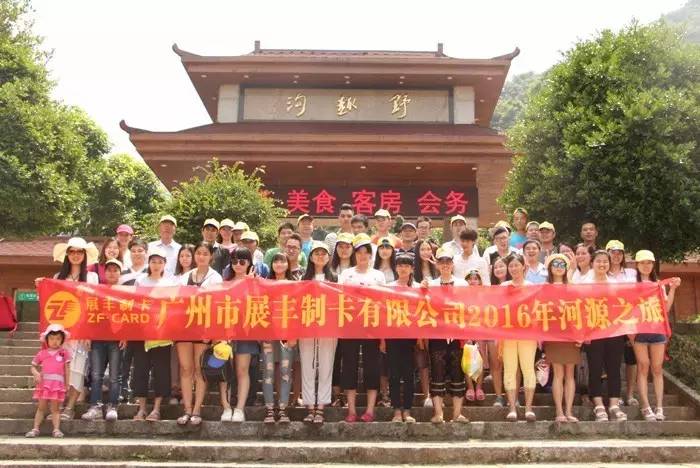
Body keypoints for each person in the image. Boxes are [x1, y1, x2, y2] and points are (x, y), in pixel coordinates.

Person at [41, 237, 99, 420]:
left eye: (79, 252)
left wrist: (88, 333)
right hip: (61, 332)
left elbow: (94, 305)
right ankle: (57, 407)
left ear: (84, 255)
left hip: (82, 331)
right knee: (59, 369)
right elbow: (50, 301)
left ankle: (70, 407)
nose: (76, 255)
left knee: (78, 369)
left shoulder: (92, 277)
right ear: (67, 254)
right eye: (72, 251)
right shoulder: (58, 277)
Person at [176, 242, 226, 426]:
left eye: (205, 253)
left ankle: (197, 409)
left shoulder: (216, 277)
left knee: (199, 369)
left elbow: (217, 305)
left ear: (211, 256)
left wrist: (212, 331)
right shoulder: (185, 277)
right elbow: (177, 302)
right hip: (184, 327)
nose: (201, 256)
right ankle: (187, 409)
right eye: (198, 253)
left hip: (203, 328)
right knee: (185, 368)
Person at [338, 233, 386, 422]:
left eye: (366, 252)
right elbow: (339, 298)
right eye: (359, 252)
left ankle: (370, 410)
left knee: (372, 367)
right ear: (354, 254)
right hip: (350, 326)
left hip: (372, 327)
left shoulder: (378, 275)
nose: (363, 256)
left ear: (371, 255)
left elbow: (384, 303)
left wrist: (382, 334)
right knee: (349, 366)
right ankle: (351, 410)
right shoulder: (346, 274)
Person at [631, 250, 681, 422]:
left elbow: (665, 308)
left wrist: (672, 289)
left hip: (657, 330)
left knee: (657, 368)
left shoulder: (659, 285)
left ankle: (659, 407)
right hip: (639, 331)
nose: (646, 266)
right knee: (643, 367)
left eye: (649, 262)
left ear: (653, 265)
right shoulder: (632, 285)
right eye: (642, 262)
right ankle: (645, 407)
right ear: (637, 265)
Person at [421, 248, 468, 424]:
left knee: (458, 372)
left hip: (458, 334)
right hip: (437, 333)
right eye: (442, 262)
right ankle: (438, 413)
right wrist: (422, 290)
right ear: (437, 265)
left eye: (448, 261)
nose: (445, 265)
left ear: (453, 264)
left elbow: (470, 307)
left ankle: (457, 413)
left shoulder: (462, 284)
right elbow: (423, 306)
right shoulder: (431, 284)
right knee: (437, 372)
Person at [132, 247, 175, 421]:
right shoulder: (140, 281)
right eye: (153, 261)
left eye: (160, 262)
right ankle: (141, 408)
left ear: (165, 264)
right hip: (141, 332)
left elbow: (175, 307)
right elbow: (134, 304)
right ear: (148, 263)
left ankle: (156, 409)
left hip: (162, 334)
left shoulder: (170, 283)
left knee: (161, 370)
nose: (156, 265)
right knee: (140, 369)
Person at [584, 250, 627, 422]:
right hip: (592, 332)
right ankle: (599, 405)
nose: (602, 264)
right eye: (599, 261)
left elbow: (623, 307)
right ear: (592, 263)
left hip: (614, 332)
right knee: (595, 368)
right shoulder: (584, 284)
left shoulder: (616, 284)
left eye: (605, 261)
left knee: (614, 368)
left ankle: (614, 405)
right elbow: (579, 309)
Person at [81, 259, 126, 422]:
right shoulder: (97, 291)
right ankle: (95, 407)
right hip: (97, 338)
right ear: (104, 273)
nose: (112, 273)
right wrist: (87, 334)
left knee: (115, 376)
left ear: (120, 273)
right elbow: (89, 313)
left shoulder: (127, 292)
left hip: (116, 340)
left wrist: (126, 335)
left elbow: (131, 317)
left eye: (115, 270)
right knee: (96, 375)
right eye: (109, 270)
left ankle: (113, 406)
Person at [299, 242, 338, 424]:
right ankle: (309, 407)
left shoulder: (335, 278)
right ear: (311, 257)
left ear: (329, 257)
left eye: (324, 253)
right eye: (317, 253)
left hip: (329, 327)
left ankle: (321, 406)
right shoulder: (303, 278)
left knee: (326, 365)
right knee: (307, 366)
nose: (320, 256)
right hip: (306, 326)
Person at [542, 254, 582, 423]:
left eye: (562, 264)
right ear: (550, 268)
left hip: (571, 335)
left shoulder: (572, 288)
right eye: (555, 264)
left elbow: (579, 312)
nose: (558, 267)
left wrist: (580, 334)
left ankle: (569, 411)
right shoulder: (544, 288)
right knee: (558, 374)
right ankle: (559, 411)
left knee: (570, 374)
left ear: (566, 268)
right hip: (553, 334)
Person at [501, 254, 537, 422]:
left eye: (517, 265)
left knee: (528, 368)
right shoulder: (503, 287)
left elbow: (537, 310)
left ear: (523, 266)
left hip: (527, 334)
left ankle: (528, 408)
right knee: (509, 369)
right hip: (507, 334)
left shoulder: (532, 287)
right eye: (511, 266)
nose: (514, 268)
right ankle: (512, 408)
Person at [224, 247, 259, 422]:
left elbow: (260, 305)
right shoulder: (224, 282)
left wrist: (251, 284)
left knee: (242, 370)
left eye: (242, 261)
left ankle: (239, 408)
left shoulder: (255, 283)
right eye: (234, 261)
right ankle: (226, 407)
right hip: (225, 332)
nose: (238, 265)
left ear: (249, 263)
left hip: (246, 332)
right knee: (225, 371)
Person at [262, 253, 296, 423]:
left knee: (285, 371)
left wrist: (294, 334)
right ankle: (269, 409)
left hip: (286, 333)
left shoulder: (294, 285)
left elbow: (297, 311)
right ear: (271, 264)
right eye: (276, 261)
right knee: (268, 371)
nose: (279, 264)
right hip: (267, 333)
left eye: (282, 261)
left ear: (288, 264)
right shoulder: (265, 284)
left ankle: (283, 410)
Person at [605, 240, 639, 406]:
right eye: (613, 252)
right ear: (607, 254)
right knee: (613, 360)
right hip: (609, 323)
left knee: (632, 360)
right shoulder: (601, 273)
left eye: (619, 253)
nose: (616, 256)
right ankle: (615, 394)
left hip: (630, 321)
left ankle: (630, 394)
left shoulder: (632, 273)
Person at [386, 253, 418, 423]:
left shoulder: (418, 288)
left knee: (408, 374)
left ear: (412, 269)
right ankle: (396, 410)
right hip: (392, 336)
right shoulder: (388, 288)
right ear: (395, 268)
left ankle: (407, 409)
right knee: (394, 374)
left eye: (406, 265)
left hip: (411, 337)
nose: (403, 268)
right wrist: (382, 339)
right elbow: (382, 313)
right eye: (400, 265)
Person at [25, 324, 72, 438]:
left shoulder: (64, 353)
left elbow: (67, 369)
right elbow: (33, 366)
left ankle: (56, 429)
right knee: (41, 407)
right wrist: (36, 373)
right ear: (46, 340)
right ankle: (35, 428)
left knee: (55, 409)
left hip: (57, 385)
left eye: (58, 339)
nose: (55, 341)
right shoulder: (42, 353)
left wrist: (67, 384)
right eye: (51, 338)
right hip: (44, 385)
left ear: (62, 340)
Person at [412, 239, 437, 406]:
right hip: (420, 319)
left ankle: (437, 394)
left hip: (437, 319)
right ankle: (426, 394)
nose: (426, 252)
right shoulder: (413, 271)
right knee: (422, 358)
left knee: (436, 357)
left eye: (428, 249)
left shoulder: (438, 269)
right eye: (422, 249)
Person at [487, 257, 509, 407]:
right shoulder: (489, 290)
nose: (499, 269)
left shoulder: (515, 287)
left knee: (512, 365)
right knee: (496, 365)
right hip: (493, 330)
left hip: (511, 331)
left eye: (502, 266)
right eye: (496, 267)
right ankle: (499, 396)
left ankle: (512, 395)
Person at [464, 270, 487, 402]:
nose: (472, 281)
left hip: (480, 330)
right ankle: (470, 387)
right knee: (468, 358)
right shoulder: (461, 296)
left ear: (480, 281)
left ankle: (479, 387)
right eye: (470, 278)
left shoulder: (484, 296)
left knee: (480, 359)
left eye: (475, 278)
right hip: (466, 331)